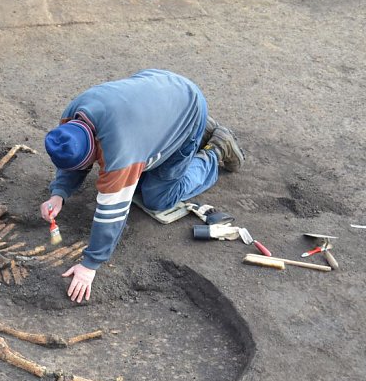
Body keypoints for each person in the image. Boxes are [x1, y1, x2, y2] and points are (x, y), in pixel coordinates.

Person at [39, 69, 244, 302]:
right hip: (161, 91)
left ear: (95, 150)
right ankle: (185, 120)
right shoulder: (72, 119)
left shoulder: (119, 150)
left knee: (158, 198)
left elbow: (113, 213)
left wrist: (90, 264)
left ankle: (215, 150)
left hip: (184, 107)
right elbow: (71, 162)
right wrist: (59, 194)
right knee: (138, 176)